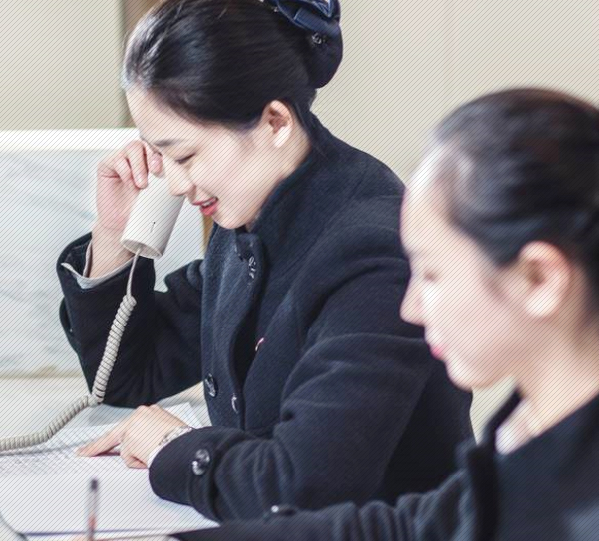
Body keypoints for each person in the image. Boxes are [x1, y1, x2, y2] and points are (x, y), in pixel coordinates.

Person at [56, 0, 471, 521]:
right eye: (159, 155)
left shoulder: (372, 250)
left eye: (185, 156)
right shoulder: (248, 216)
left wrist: (170, 447)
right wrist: (116, 233)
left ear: (274, 121)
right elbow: (127, 376)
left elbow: (302, 485)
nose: (175, 184)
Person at [176, 88, 599, 539]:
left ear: (540, 279)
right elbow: (410, 528)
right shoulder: (532, 430)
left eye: (431, 274)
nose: (411, 308)